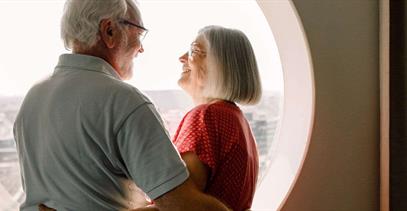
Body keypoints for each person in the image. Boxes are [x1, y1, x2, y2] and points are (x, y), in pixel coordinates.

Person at [13, 1, 230, 210]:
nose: (141, 48)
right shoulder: (125, 101)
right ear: (109, 31)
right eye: (139, 32)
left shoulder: (33, 97)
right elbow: (184, 207)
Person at [173, 25, 262, 211]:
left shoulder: (206, 117)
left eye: (194, 51)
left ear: (220, 65)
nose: (182, 58)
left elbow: (178, 202)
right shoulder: (237, 120)